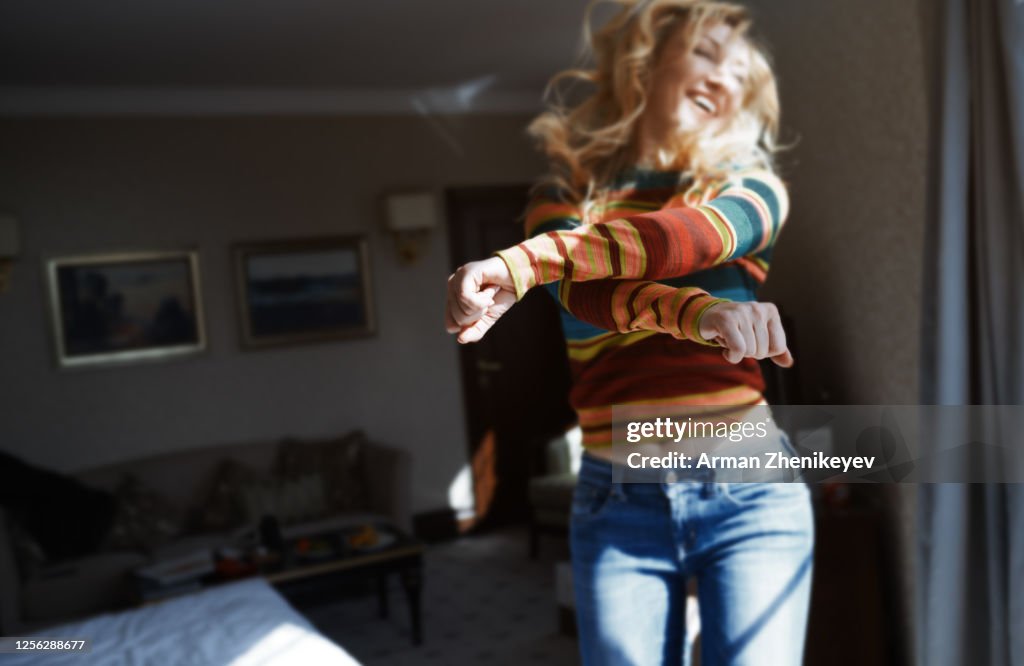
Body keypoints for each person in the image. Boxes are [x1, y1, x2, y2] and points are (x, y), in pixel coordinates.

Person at [445, 1, 814, 664]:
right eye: (707, 52)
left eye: (739, 71)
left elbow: (681, 242)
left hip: (751, 494)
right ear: (646, 59)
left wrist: (523, 264)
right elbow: (594, 294)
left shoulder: (753, 190)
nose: (723, 78)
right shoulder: (560, 199)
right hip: (618, 502)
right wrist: (706, 317)